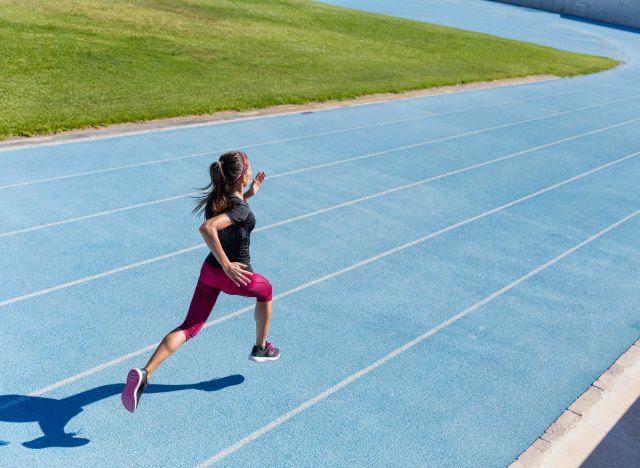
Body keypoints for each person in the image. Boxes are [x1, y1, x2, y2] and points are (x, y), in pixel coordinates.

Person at [121, 150, 279, 413]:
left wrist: (248, 194)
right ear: (242, 175)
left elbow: (232, 215)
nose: (251, 170)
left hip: (209, 273)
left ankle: (145, 373)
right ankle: (261, 347)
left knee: (190, 326)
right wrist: (228, 266)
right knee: (267, 291)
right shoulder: (237, 208)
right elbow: (208, 228)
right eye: (249, 166)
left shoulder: (220, 199)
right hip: (235, 277)